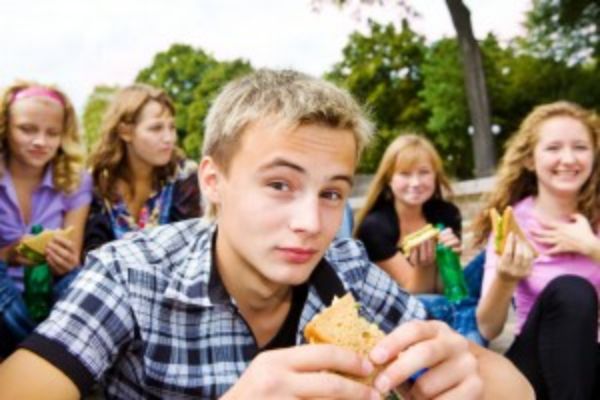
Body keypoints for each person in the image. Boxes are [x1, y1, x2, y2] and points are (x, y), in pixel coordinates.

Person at [0, 69, 532, 399]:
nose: (311, 222)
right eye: (280, 184)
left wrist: (468, 375)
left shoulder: (342, 268)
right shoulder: (130, 275)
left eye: (330, 193)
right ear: (214, 181)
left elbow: (509, 386)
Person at [473, 101, 600, 399]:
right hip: (538, 365)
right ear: (530, 159)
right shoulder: (512, 223)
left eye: (580, 147)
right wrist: (506, 278)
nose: (568, 159)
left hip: (593, 360)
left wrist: (592, 248)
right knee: (571, 290)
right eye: (553, 148)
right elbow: (488, 328)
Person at [354, 134, 486, 345]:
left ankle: (468, 325)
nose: (415, 183)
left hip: (444, 301)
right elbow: (414, 298)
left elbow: (447, 289)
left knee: (487, 260)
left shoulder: (446, 214)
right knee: (447, 305)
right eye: (405, 174)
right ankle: (470, 333)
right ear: (389, 179)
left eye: (423, 173)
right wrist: (425, 265)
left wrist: (448, 259)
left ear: (435, 176)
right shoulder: (375, 227)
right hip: (403, 312)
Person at [0, 82, 92, 356]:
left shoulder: (75, 181)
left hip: (50, 292)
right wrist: (12, 253)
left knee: (79, 282)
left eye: (52, 133)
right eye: (27, 129)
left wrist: (64, 260)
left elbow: (72, 260)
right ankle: (43, 352)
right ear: (6, 127)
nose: (40, 142)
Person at [83, 84, 201, 254]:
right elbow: (92, 255)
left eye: (172, 127)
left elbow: (192, 246)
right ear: (125, 132)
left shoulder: (184, 175)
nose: (169, 138)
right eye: (156, 128)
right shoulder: (97, 181)